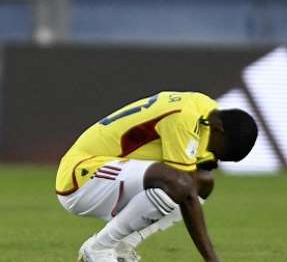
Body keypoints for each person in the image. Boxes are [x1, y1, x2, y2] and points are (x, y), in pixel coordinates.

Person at [55, 91, 258, 262]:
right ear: (218, 130)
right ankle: (99, 248)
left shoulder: (208, 113)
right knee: (178, 183)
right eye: (220, 152)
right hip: (80, 177)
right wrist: (212, 259)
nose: (215, 157)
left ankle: (121, 249)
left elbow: (195, 184)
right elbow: (185, 192)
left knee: (203, 183)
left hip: (113, 177)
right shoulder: (183, 117)